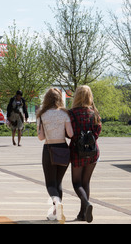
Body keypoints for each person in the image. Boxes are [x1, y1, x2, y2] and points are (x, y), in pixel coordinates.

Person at [37, 88, 73, 223]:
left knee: (50, 183)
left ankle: (56, 203)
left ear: (46, 99)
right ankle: (55, 213)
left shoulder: (42, 114)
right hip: (63, 148)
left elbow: (41, 137)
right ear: (60, 99)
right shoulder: (65, 113)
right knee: (58, 182)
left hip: (49, 148)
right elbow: (70, 134)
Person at [69, 85, 102, 223]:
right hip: (93, 152)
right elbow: (98, 129)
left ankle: (86, 206)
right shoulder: (94, 113)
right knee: (86, 182)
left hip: (77, 151)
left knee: (76, 183)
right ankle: (82, 214)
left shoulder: (71, 113)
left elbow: (69, 133)